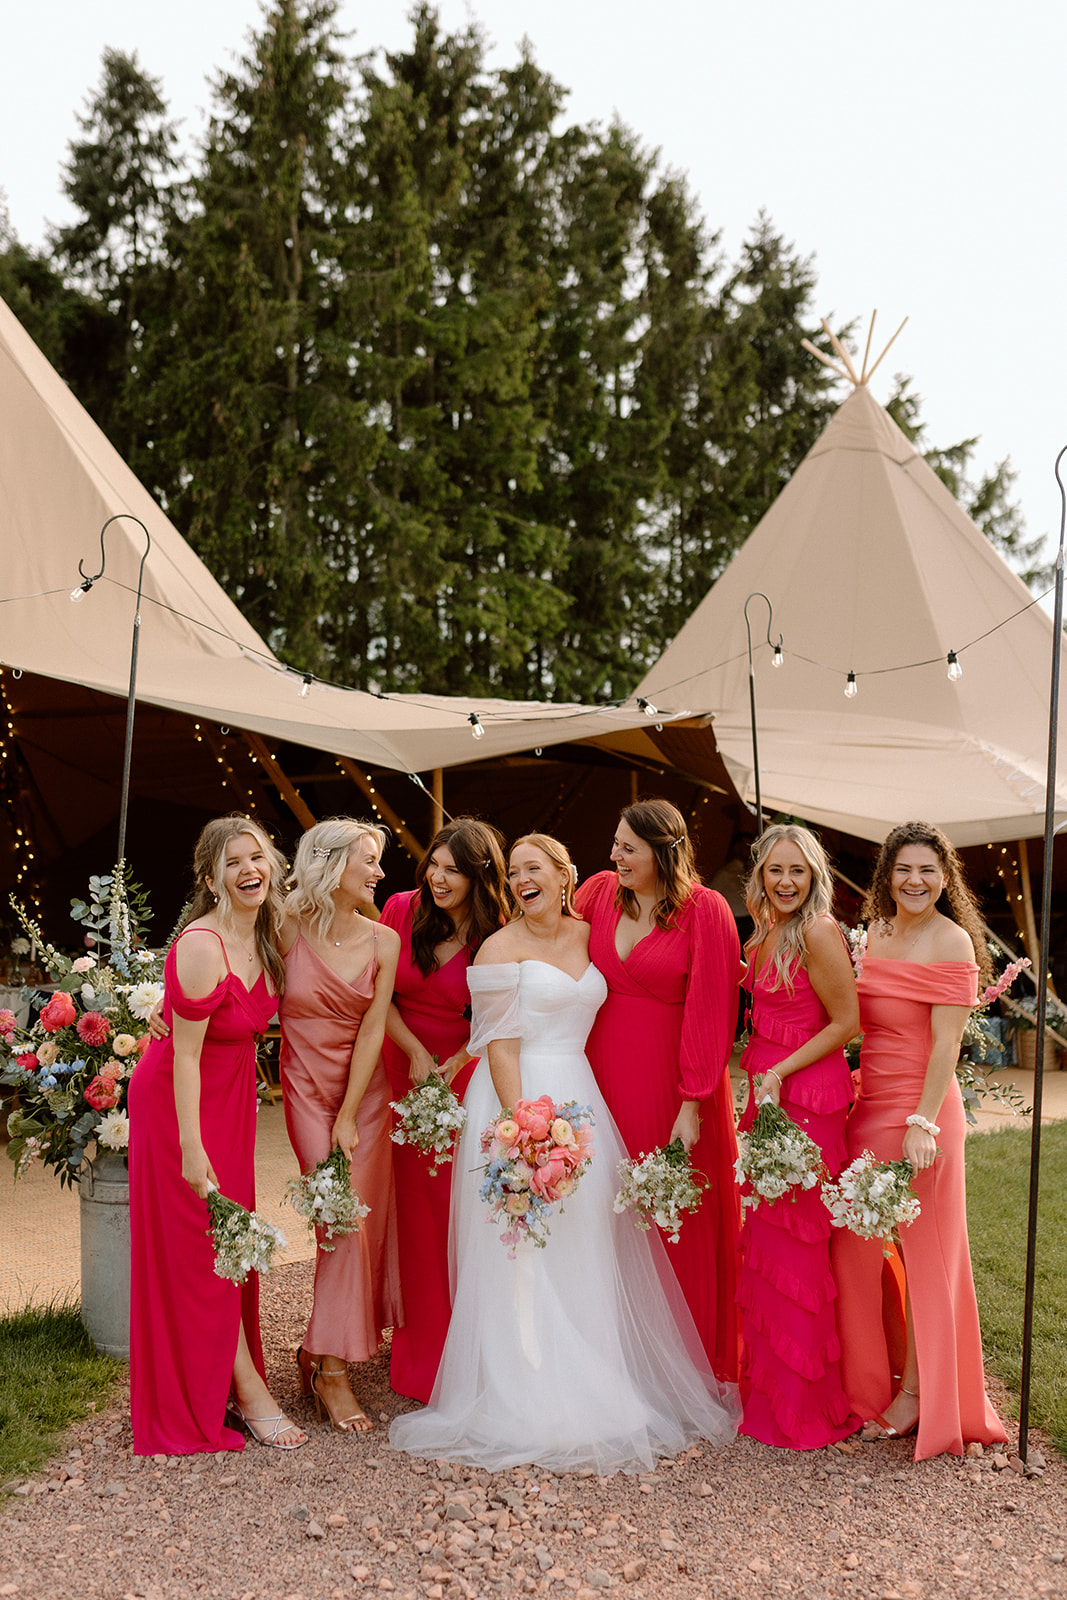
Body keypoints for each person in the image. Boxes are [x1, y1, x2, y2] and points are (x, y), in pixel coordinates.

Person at [389, 834, 740, 1473]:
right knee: (521, 1250)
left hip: (582, 1097)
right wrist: (523, 1131)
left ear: (563, 876)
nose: (524, 880)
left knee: (585, 1241)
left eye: (535, 869)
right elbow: (497, 1045)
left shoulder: (591, 935)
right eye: (515, 872)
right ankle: (525, 1391)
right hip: (516, 1100)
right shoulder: (498, 947)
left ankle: (596, 1376)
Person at [129, 816, 306, 1454]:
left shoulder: (271, 932)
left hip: (229, 1102)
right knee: (205, 1245)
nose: (248, 869)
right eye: (232, 862)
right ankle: (248, 1390)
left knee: (227, 1242)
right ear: (211, 879)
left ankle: (224, 1382)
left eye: (256, 856)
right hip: (181, 1106)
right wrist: (191, 1144)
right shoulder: (204, 945)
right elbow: (181, 1056)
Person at [833, 821, 1008, 1459]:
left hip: (921, 1115)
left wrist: (924, 1123)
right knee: (853, 1250)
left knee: (927, 1257)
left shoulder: (952, 940)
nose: (915, 881)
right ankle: (863, 1388)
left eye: (928, 870)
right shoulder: (875, 933)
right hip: (868, 1105)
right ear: (887, 874)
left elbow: (946, 1044)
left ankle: (922, 1398)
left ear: (945, 877)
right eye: (903, 869)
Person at [573, 798, 742, 1383]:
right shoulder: (596, 893)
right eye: (616, 843)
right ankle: (608, 1351)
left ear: (662, 853)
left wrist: (691, 1101)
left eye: (628, 848)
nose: (613, 855)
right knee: (602, 1205)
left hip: (673, 1082)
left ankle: (681, 1363)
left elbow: (712, 1009)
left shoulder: (706, 910)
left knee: (670, 1211)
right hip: (594, 1072)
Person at [379, 818, 510, 1402]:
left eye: (453, 869)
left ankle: (467, 1346)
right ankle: (418, 1353)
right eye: (434, 864)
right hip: (398, 1062)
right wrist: (412, 1052)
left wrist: (453, 1065)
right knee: (410, 1211)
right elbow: (373, 995)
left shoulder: (499, 932)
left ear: (480, 876)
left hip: (463, 1074)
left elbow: (497, 1022)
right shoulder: (402, 910)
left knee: (453, 1209)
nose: (438, 877)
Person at [737, 824, 859, 1449]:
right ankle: (770, 1390)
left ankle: (806, 1400)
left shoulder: (818, 931)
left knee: (799, 1244)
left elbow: (847, 1020)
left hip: (806, 1093)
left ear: (815, 877)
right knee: (765, 1234)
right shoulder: (764, 934)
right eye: (775, 871)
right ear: (759, 873)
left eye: (798, 872)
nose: (785, 883)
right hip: (767, 1090)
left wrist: (781, 1070)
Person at [278, 818, 402, 1432]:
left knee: (359, 1225)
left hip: (364, 1096)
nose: (379, 872)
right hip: (303, 1089)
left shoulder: (384, 941)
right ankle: (329, 1367)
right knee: (338, 1223)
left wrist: (352, 1113)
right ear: (330, 863)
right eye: (369, 860)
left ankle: (324, 1358)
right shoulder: (282, 928)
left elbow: (374, 1029)